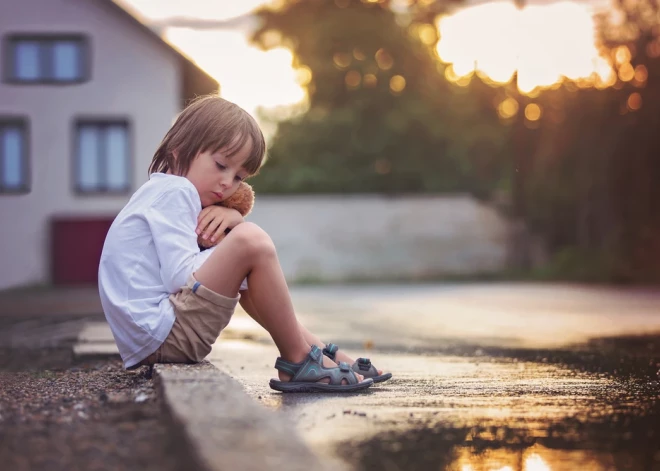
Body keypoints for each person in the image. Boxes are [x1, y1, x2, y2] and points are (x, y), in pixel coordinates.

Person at [98, 95, 390, 392]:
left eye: (239, 177)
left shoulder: (162, 192)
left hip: (154, 339)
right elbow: (179, 276)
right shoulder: (177, 191)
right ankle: (300, 360)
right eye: (221, 165)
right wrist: (235, 236)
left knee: (246, 259)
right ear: (179, 151)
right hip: (163, 333)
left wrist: (229, 237)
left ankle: (318, 351)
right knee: (252, 240)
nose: (228, 183)